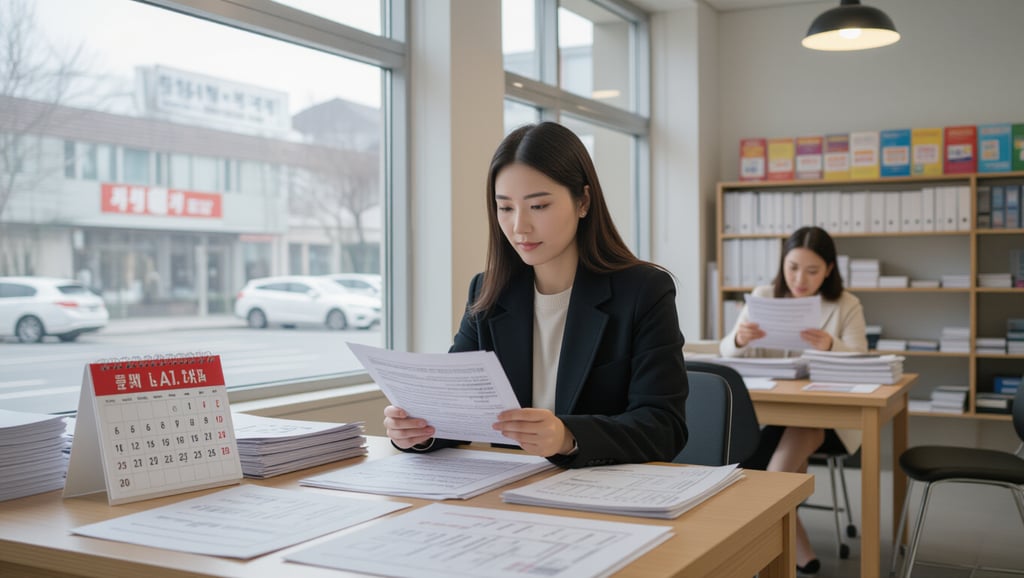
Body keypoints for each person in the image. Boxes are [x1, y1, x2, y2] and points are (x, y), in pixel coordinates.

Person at [383, 122, 689, 467]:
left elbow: (664, 428)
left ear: (583, 201)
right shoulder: (488, 292)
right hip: (514, 498)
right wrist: (419, 432)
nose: (519, 227)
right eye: (506, 208)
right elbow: (460, 411)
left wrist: (567, 436)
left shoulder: (644, 291)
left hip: (608, 495)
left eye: (538, 206)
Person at [720, 225, 867, 575]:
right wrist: (740, 338)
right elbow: (726, 351)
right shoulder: (764, 294)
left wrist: (831, 345)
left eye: (812, 270)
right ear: (782, 264)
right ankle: (791, 541)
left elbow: (862, 360)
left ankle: (777, 541)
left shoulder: (846, 304)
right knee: (782, 446)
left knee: (794, 445)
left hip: (830, 417)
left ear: (829, 270)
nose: (800, 279)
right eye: (793, 267)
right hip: (775, 411)